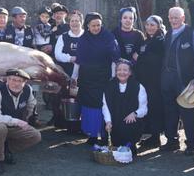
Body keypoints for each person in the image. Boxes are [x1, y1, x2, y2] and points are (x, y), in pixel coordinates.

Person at [160, 7, 194, 155]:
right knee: (169, 112)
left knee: (188, 114)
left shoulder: (192, 34)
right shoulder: (167, 34)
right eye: (171, 17)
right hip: (167, 79)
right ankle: (172, 141)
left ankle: (192, 143)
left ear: (183, 18)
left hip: (186, 82)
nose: (173, 20)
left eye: (176, 17)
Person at [71, 13, 120, 146]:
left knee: (103, 105)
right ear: (87, 26)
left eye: (98, 25)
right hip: (86, 78)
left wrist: (114, 76)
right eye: (93, 25)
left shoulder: (108, 37)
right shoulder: (83, 39)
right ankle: (92, 135)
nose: (96, 28)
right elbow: (78, 60)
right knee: (88, 106)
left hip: (104, 77)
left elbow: (115, 59)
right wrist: (74, 77)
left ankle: (104, 135)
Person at [0, 68, 42, 174]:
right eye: (13, 80)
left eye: (19, 81)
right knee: (0, 129)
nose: (15, 84)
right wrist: (15, 121)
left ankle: (6, 149)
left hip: (14, 126)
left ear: (25, 83)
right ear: (7, 80)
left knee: (36, 136)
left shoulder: (28, 90)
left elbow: (31, 104)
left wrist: (26, 119)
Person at [103, 60, 148, 153]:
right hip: (114, 123)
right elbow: (105, 106)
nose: (122, 72)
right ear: (115, 72)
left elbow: (144, 109)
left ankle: (131, 145)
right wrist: (108, 121)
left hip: (131, 123)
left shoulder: (138, 86)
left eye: (125, 70)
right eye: (119, 70)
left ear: (130, 72)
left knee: (129, 138)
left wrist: (135, 114)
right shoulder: (109, 86)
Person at [135, 15, 166, 149]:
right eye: (147, 25)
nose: (149, 27)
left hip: (155, 81)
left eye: (152, 25)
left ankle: (156, 137)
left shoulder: (160, 41)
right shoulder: (146, 41)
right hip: (144, 81)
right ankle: (151, 136)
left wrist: (139, 57)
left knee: (155, 108)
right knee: (147, 107)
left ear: (158, 26)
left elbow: (154, 60)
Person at [51, 11, 83, 129]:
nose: (74, 23)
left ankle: (77, 125)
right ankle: (60, 122)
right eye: (72, 21)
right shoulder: (63, 37)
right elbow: (58, 54)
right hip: (64, 73)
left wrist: (75, 76)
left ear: (82, 22)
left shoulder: (86, 37)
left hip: (82, 74)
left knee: (78, 98)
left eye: (77, 21)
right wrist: (71, 58)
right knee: (60, 97)